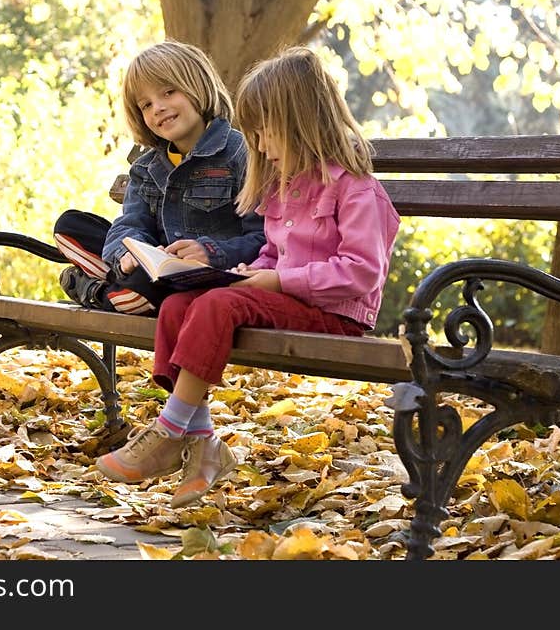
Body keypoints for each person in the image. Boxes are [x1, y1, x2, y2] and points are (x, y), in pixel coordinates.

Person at [95, 46, 401, 508]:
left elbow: (362, 273)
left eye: (265, 133)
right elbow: (270, 253)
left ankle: (168, 431)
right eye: (253, 134)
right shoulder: (285, 188)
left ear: (301, 123)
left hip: (335, 314)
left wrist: (276, 282)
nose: (257, 145)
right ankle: (204, 447)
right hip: (288, 302)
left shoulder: (357, 190)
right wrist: (247, 273)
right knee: (180, 304)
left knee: (218, 304)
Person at [53, 40, 265, 316]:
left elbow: (263, 238)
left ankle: (97, 292)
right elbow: (128, 225)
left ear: (198, 86)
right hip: (154, 272)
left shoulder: (241, 155)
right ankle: (123, 289)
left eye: (168, 92)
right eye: (146, 105)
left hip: (211, 282)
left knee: (145, 288)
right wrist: (127, 255)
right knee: (71, 225)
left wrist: (209, 252)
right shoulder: (146, 168)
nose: (158, 108)